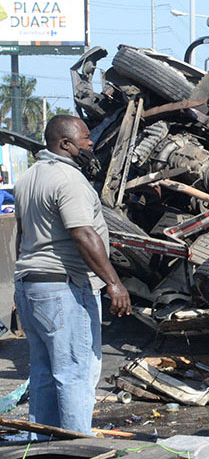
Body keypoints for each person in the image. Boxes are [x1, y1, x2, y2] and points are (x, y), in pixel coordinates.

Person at [13, 115, 131, 435]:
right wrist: (113, 282)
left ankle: (45, 445)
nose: (91, 143)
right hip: (62, 289)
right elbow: (83, 235)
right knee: (75, 373)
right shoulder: (70, 179)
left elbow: (20, 237)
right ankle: (79, 447)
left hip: (30, 286)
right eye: (85, 138)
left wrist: (21, 286)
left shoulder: (27, 178)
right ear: (65, 145)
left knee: (44, 372)